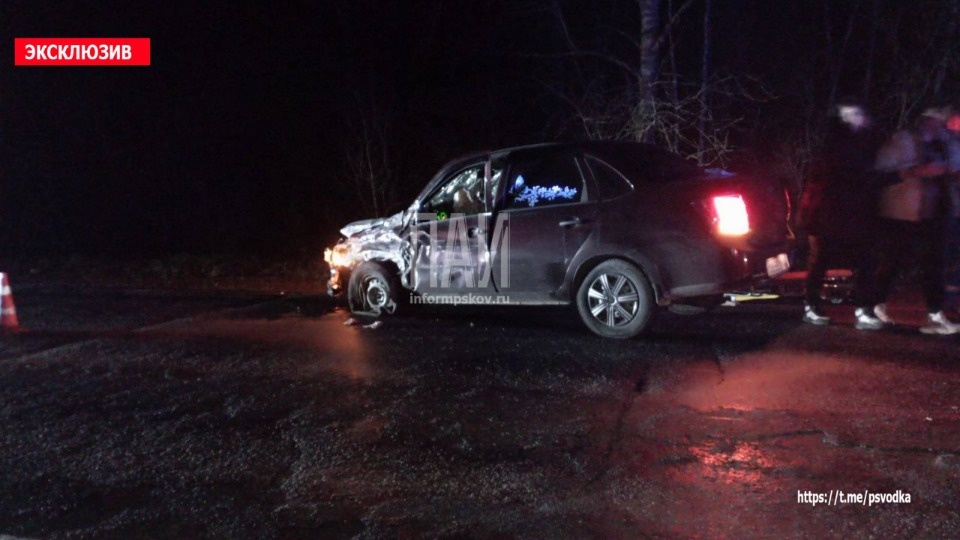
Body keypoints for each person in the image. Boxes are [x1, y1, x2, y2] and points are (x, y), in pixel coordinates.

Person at [873, 108, 960, 334]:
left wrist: (951, 175)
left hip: (937, 214)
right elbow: (880, 173)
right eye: (935, 120)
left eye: (941, 121)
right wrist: (916, 172)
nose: (939, 125)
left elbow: (952, 171)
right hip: (904, 214)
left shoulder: (946, 144)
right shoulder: (903, 141)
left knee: (934, 266)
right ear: (924, 120)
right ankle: (874, 304)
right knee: (894, 260)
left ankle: (935, 315)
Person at [800, 99, 885, 330]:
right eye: (854, 114)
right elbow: (851, 177)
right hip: (831, 215)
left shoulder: (858, 143)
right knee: (823, 261)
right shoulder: (840, 145)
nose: (861, 118)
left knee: (862, 260)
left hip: (844, 214)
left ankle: (862, 309)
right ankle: (814, 306)